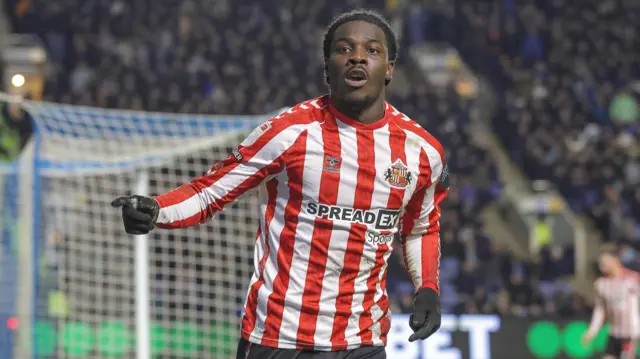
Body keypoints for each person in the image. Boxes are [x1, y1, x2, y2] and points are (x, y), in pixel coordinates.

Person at [112, 9, 449, 359]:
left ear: (390, 68)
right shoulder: (289, 133)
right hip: (278, 340)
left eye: (372, 50)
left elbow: (421, 227)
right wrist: (158, 210)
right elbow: (212, 191)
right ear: (327, 67)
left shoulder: (422, 152)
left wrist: (427, 288)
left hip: (361, 343)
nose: (358, 57)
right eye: (344, 49)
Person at [582, 245, 640, 359]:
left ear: (615, 260)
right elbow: (600, 310)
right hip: (613, 333)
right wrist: (592, 331)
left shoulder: (632, 280)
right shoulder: (601, 284)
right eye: (600, 262)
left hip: (630, 333)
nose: (601, 265)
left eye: (604, 262)